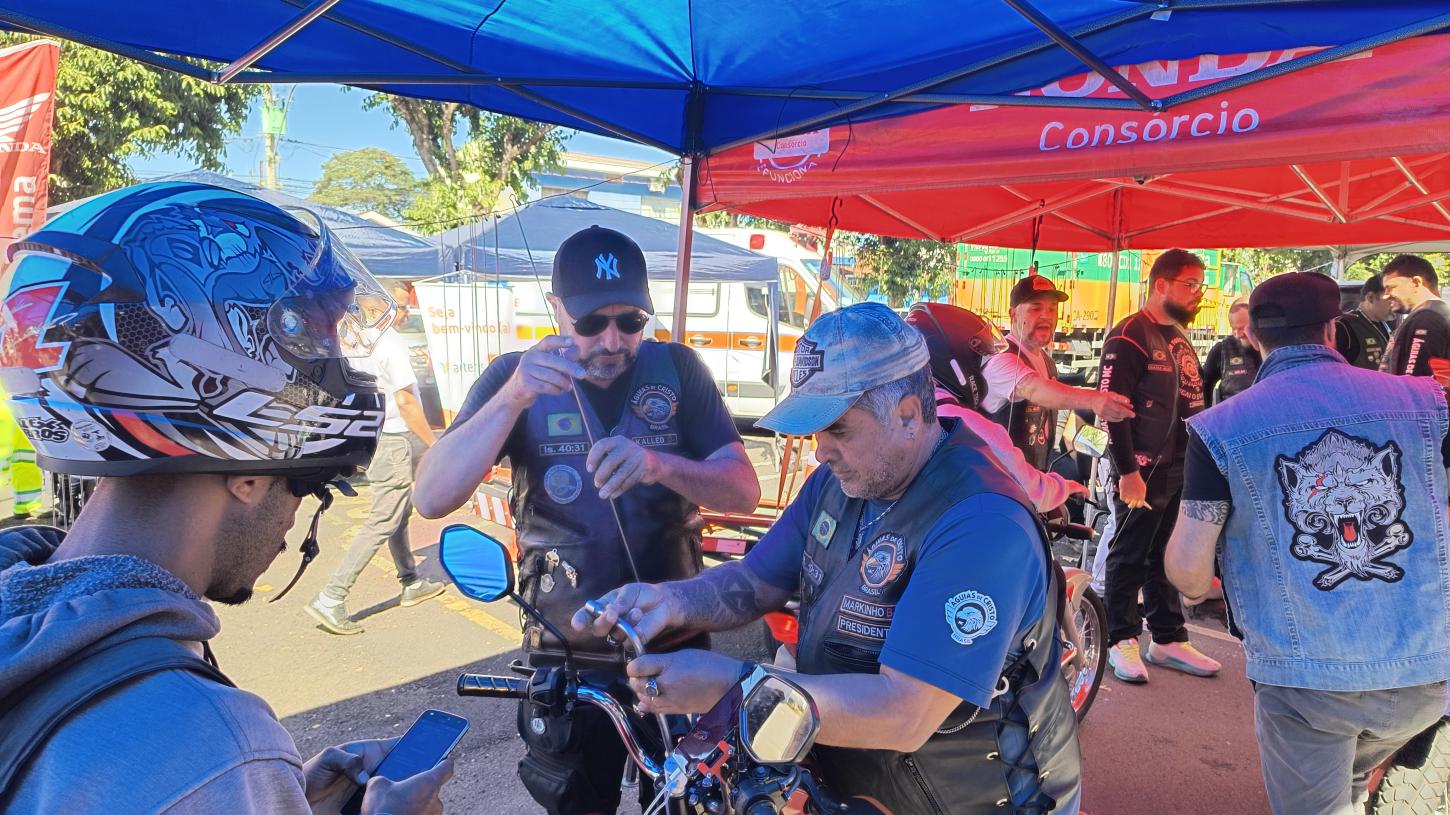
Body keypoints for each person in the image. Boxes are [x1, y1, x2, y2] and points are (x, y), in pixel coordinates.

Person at [0, 183, 450, 813]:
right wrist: (238, 777)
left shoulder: (26, 623)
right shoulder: (209, 743)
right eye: (305, 485)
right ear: (246, 470)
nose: (292, 526)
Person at [575, 303, 1082, 815]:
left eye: (838, 430)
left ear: (908, 413)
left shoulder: (981, 522)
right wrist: (669, 601)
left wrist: (729, 686)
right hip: (863, 790)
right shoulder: (840, 484)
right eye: (814, 432)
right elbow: (756, 580)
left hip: (976, 799)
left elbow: (905, 713)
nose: (820, 452)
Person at [413, 225, 759, 815]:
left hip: (674, 645)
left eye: (631, 321)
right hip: (564, 658)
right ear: (555, 310)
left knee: (691, 805)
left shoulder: (677, 369)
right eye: (592, 321)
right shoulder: (513, 377)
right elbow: (431, 496)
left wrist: (657, 464)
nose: (613, 339)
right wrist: (514, 397)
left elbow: (743, 489)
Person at [1166, 271, 1450, 814]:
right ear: (1331, 329)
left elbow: (1189, 573)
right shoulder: (1426, 403)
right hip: (1423, 672)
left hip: (1307, 683)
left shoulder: (1220, 427)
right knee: (1351, 783)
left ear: (1251, 335)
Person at [1095, 248, 1221, 684]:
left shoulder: (1180, 336)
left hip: (1179, 467)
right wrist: (1127, 471)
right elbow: (1112, 410)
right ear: (1161, 284)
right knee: (1129, 553)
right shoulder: (1129, 335)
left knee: (1164, 554)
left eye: (1199, 285)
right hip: (1141, 470)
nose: (1196, 293)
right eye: (1189, 284)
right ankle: (1120, 637)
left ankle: (1167, 636)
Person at [305, 300, 446, 635]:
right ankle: (332, 597)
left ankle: (410, 581)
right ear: (383, 307)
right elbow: (406, 401)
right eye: (400, 304)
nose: (408, 311)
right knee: (384, 518)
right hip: (395, 438)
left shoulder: (357, 340)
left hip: (377, 435)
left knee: (398, 512)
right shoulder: (390, 343)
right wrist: (436, 444)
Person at [907, 301, 1085, 512]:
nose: (981, 367)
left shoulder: (900, 409)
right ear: (952, 359)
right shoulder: (963, 422)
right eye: (977, 358)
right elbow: (1031, 490)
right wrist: (1065, 487)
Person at [982, 275, 1134, 472]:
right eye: (1035, 308)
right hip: (999, 485)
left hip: (1034, 483)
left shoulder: (1047, 362)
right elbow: (1034, 388)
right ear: (1013, 315)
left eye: (1052, 308)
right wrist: (1093, 399)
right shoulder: (1002, 360)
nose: (1046, 315)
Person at [1380, 255, 1450, 385]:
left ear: (1416, 282)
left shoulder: (1427, 318)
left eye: (1391, 287)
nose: (1385, 296)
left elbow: (1415, 383)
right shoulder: (1435, 314)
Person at [1199, 301, 1261, 406]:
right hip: (1233, 417)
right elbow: (1203, 388)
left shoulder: (1271, 346)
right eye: (1234, 329)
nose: (1238, 335)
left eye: (1242, 328)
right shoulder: (1221, 350)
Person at [1334, 272, 1395, 370]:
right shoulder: (1343, 326)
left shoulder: (1384, 324)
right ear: (1370, 297)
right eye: (1390, 299)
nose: (1395, 304)